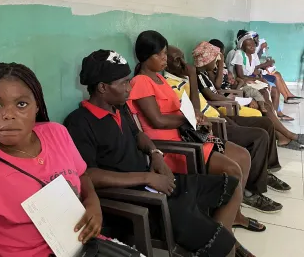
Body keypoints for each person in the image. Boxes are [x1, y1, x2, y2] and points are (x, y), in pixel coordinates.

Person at [64, 49, 245, 257]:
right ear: (103, 87)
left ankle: (216, 239)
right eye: (123, 83)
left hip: (155, 183)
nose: (128, 88)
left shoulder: (119, 108)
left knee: (232, 187)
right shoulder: (79, 123)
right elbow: (90, 175)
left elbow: (138, 136)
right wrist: (147, 177)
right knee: (223, 246)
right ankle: (218, 242)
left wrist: (156, 154)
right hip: (138, 199)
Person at [0, 63, 105, 257]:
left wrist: (92, 202)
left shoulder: (56, 133)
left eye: (21, 104)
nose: (8, 115)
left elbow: (82, 174)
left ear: (37, 106)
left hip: (81, 246)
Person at [165, 45, 289, 214]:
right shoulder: (171, 83)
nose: (183, 63)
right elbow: (194, 112)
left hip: (219, 115)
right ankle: (251, 191)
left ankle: (266, 169)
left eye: (182, 57)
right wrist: (193, 78)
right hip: (212, 123)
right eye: (177, 59)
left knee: (266, 123)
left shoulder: (184, 77)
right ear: (165, 62)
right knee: (258, 136)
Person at [226, 34, 304, 150]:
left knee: (268, 99)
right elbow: (241, 76)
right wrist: (256, 78)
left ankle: (283, 136)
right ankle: (288, 135)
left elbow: (255, 70)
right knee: (265, 101)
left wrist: (259, 76)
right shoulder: (238, 54)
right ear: (243, 46)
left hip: (250, 81)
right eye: (249, 46)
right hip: (241, 85)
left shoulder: (251, 55)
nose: (253, 48)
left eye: (253, 45)